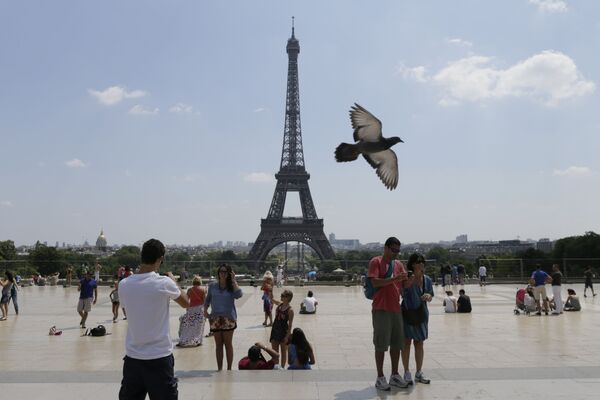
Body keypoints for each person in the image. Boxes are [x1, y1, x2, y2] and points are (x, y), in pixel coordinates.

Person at [118, 238, 190, 400]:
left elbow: (127, 312)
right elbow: (186, 303)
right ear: (160, 259)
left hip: (133, 358)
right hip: (159, 358)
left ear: (142, 256)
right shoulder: (164, 283)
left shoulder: (124, 284)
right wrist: (174, 281)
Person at [368, 237, 409, 391]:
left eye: (398, 251)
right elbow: (375, 282)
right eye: (393, 250)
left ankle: (394, 374)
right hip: (381, 308)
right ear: (385, 248)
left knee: (397, 344)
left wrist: (413, 278)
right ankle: (380, 377)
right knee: (381, 344)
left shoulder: (398, 264)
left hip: (395, 308)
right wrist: (394, 279)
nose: (396, 254)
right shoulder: (376, 262)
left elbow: (404, 285)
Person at [401, 253, 433, 385]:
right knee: (406, 343)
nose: (422, 264)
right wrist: (407, 284)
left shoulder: (427, 280)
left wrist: (428, 296)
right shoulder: (407, 278)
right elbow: (402, 293)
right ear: (413, 264)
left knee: (419, 343)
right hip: (407, 313)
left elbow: (431, 295)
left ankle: (419, 372)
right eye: (419, 262)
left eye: (423, 262)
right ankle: (407, 372)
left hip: (421, 315)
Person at [204, 264, 243, 371]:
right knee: (218, 345)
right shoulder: (212, 286)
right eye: (221, 271)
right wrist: (205, 310)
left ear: (229, 273)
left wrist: (234, 280)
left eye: (225, 272)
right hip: (215, 317)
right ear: (218, 273)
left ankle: (229, 368)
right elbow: (207, 299)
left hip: (228, 318)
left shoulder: (231, 286)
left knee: (228, 344)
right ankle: (220, 368)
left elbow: (239, 294)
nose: (223, 273)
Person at [177, 276, 207, 347]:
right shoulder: (203, 290)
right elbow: (205, 301)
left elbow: (187, 300)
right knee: (198, 326)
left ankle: (183, 340)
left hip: (191, 309)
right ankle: (198, 341)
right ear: (200, 282)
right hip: (199, 309)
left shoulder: (190, 290)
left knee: (188, 326)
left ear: (193, 282)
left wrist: (187, 308)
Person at [270, 289, 294, 368]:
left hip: (284, 331)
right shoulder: (280, 304)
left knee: (283, 352)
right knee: (274, 352)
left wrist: (287, 336)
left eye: (283, 295)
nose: (281, 296)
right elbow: (271, 299)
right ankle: (276, 367)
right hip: (275, 330)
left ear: (287, 298)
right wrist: (270, 291)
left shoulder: (290, 310)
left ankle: (282, 368)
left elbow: (290, 325)